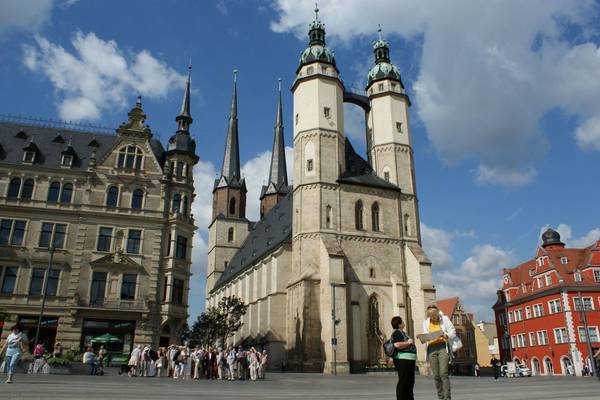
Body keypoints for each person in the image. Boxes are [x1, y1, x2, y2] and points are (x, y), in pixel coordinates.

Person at [422, 304, 456, 400]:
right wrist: (423, 338)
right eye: (430, 316)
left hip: (442, 347)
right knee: (436, 375)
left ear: (437, 313)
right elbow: (425, 336)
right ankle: (440, 397)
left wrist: (446, 335)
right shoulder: (425, 322)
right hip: (431, 348)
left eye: (434, 315)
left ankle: (447, 398)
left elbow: (453, 332)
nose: (432, 317)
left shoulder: (444, 319)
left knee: (443, 374)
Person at [390, 316, 416, 400]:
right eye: (402, 321)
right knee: (404, 382)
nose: (404, 322)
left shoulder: (401, 332)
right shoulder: (397, 332)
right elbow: (397, 345)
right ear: (399, 324)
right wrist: (408, 343)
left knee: (409, 382)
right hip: (403, 360)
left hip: (408, 360)